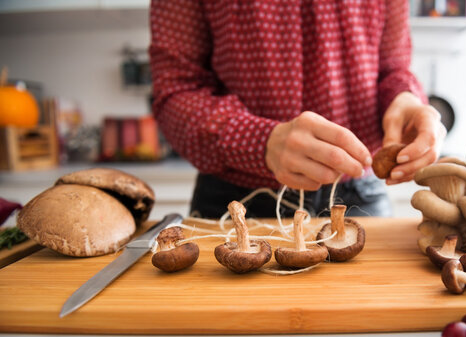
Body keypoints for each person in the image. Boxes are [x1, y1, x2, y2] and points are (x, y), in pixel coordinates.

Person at [149, 0, 446, 219]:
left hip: (359, 193)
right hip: (239, 199)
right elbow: (175, 90)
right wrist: (260, 141)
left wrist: (404, 98)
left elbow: (392, 67)